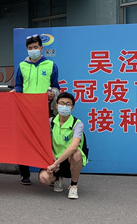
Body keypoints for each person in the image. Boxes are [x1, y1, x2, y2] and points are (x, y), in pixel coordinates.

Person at [12, 34, 60, 185]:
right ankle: (24, 173)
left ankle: (45, 171)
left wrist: (53, 94)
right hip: (26, 110)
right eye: (30, 48)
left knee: (44, 141)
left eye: (35, 47)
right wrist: (15, 92)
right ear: (27, 49)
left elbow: (56, 87)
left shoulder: (51, 65)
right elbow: (19, 86)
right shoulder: (22, 66)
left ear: (41, 48)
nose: (33, 50)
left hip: (44, 109)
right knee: (24, 141)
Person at [38, 92, 88, 199]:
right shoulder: (50, 122)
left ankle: (73, 185)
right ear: (57, 105)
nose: (64, 106)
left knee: (77, 154)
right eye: (61, 103)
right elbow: (46, 143)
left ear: (72, 108)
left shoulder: (77, 124)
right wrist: (53, 160)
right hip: (54, 159)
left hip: (69, 160)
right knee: (44, 178)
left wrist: (56, 163)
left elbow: (74, 147)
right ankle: (57, 178)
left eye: (68, 104)